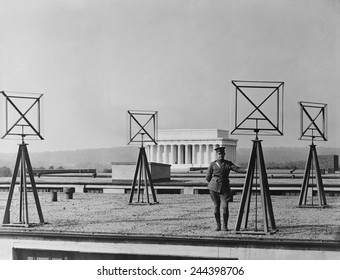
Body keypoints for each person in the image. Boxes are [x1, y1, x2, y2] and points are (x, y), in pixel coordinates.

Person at [206, 146, 246, 231]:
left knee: (225, 206)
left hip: (224, 188)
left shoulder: (228, 163)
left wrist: (247, 170)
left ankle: (225, 226)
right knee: (216, 206)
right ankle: (218, 226)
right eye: (219, 154)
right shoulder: (212, 164)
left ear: (224, 154)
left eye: (222, 154)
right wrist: (214, 182)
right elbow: (208, 177)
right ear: (216, 155)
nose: (221, 156)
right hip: (213, 188)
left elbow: (237, 169)